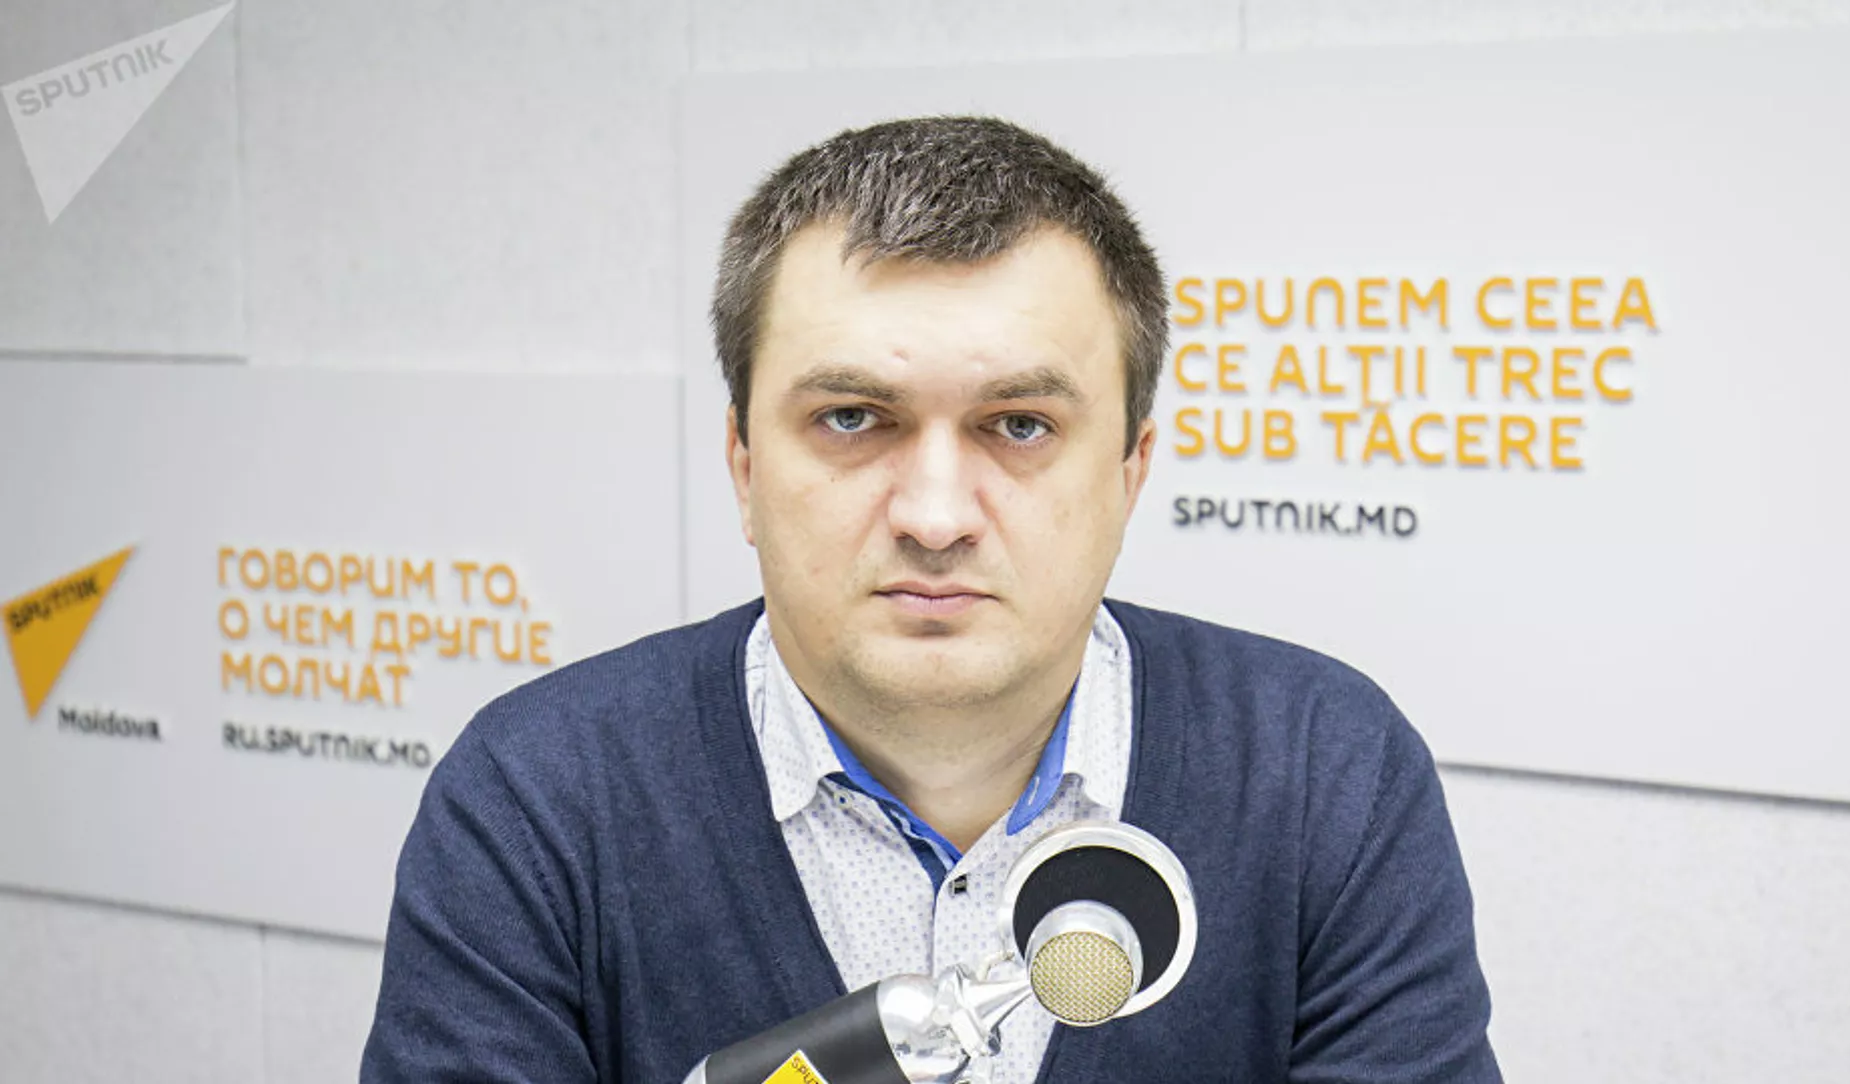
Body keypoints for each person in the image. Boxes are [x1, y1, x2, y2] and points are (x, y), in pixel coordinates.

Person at [361, 115, 1502, 1083]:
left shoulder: (1326, 774)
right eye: (852, 418)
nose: (937, 514)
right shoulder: (536, 801)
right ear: (744, 465)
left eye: (1021, 425)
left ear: (1131, 472)